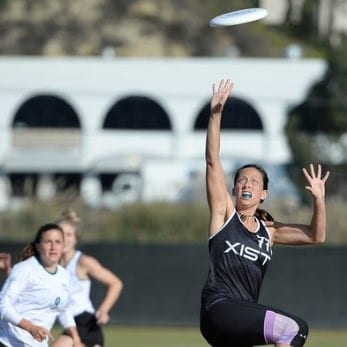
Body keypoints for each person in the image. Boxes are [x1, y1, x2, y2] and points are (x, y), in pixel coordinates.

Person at [199, 79, 330, 347]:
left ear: (263, 194)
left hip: (240, 322)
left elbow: (316, 236)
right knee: (294, 329)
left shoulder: (268, 231)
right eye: (242, 180)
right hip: (220, 309)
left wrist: (319, 200)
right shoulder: (224, 215)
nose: (247, 184)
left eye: (254, 182)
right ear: (234, 189)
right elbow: (213, 159)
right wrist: (216, 114)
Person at [0, 223, 84, 347]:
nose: (53, 247)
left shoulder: (64, 275)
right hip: (9, 342)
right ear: (38, 246)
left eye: (58, 242)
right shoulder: (24, 269)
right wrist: (31, 328)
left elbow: (64, 308)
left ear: (63, 246)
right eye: (48, 242)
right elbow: (3, 305)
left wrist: (76, 338)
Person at [51, 209, 123, 347]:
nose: (64, 239)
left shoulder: (83, 262)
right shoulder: (53, 265)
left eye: (69, 235)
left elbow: (116, 283)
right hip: (69, 325)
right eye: (60, 234)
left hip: (86, 324)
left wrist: (103, 310)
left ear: (76, 238)